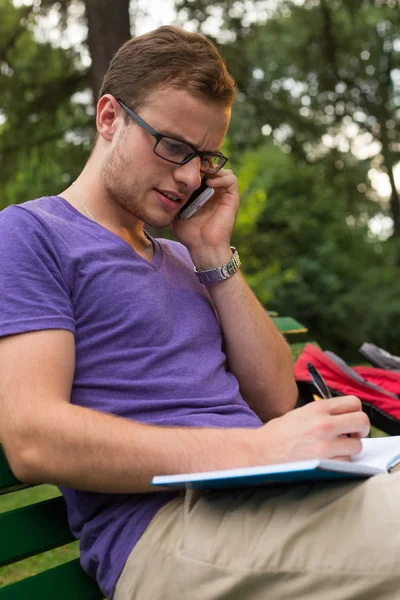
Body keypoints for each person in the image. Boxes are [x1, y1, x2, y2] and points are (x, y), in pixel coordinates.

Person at [0, 25, 398, 600]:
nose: (190, 176)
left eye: (205, 158)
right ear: (109, 118)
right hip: (166, 531)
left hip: (268, 501)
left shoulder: (187, 258)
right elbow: (33, 438)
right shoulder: (31, 234)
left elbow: (274, 400)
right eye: (173, 147)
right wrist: (256, 450)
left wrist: (213, 254)